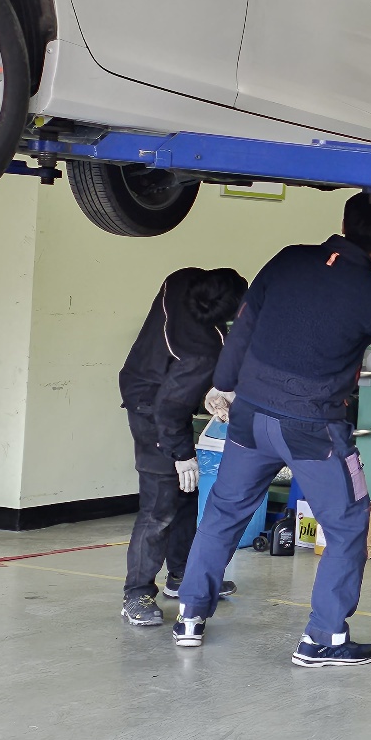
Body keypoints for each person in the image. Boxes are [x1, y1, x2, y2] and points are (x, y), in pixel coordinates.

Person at [172, 194, 371, 666]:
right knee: (347, 526)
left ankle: (190, 615)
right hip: (314, 430)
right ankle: (324, 638)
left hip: (251, 416)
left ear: (343, 223)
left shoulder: (289, 259)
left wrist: (224, 384)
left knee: (223, 512)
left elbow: (244, 326)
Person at [118, 267, 249, 626]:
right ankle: (137, 593)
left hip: (157, 392)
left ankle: (181, 574)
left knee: (186, 494)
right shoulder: (201, 351)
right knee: (159, 504)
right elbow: (168, 407)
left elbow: (179, 379)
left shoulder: (181, 281)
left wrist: (207, 391)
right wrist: (182, 454)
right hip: (150, 408)